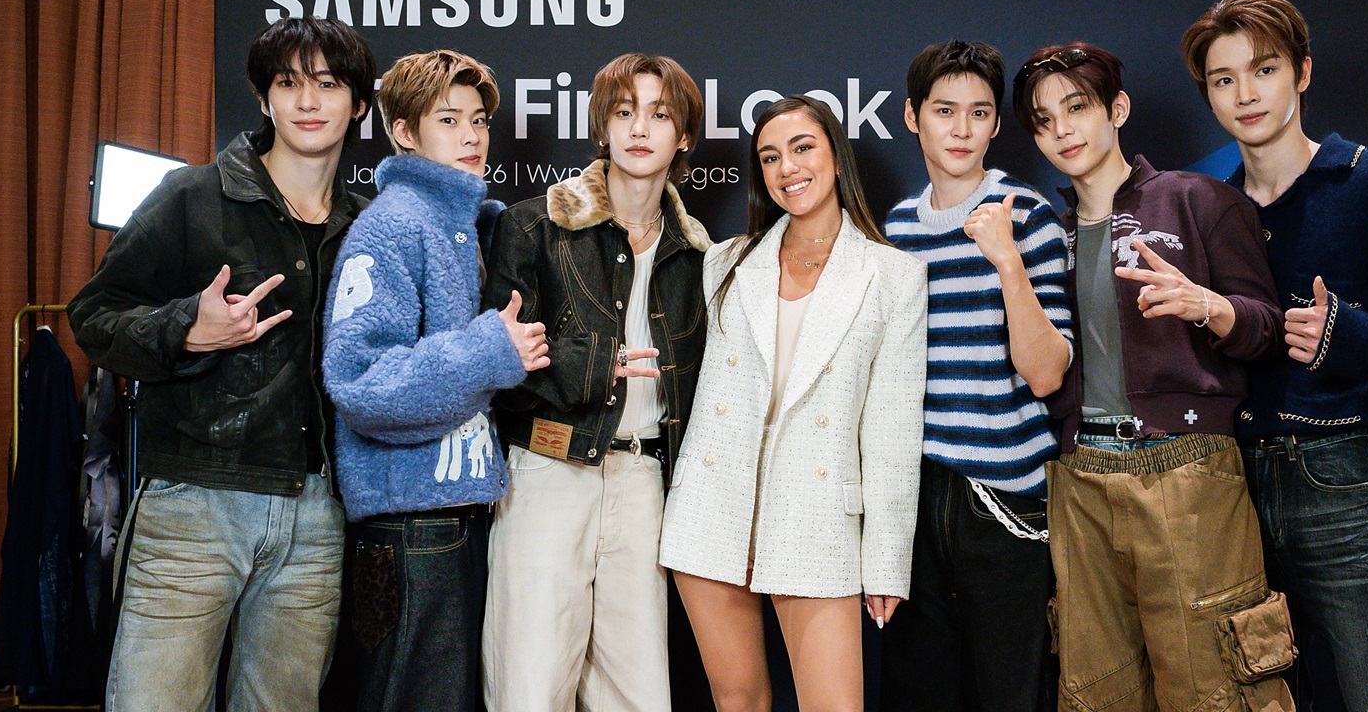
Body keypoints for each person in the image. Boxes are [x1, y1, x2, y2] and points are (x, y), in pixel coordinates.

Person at [67, 15, 376, 711]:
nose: (307, 101)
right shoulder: (192, 197)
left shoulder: (369, 224)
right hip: (194, 502)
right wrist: (187, 329)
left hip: (318, 513)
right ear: (264, 98)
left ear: (359, 104)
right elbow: (94, 315)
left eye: (328, 84)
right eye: (288, 83)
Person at [1183, 0, 1368, 712]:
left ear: (1303, 72)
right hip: (1231, 494)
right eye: (1223, 79)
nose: (1245, 94)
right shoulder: (1210, 208)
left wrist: (1348, 337)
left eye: (1264, 70)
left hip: (1343, 484)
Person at [1016, 42, 1296, 711]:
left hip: (1188, 468)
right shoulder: (1046, 235)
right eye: (1044, 120)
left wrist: (1208, 305)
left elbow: (1268, 328)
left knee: (1216, 690)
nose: (1062, 131)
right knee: (1096, 693)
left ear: (1117, 108)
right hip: (1079, 478)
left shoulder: (1198, 199)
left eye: (1077, 107)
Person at [659, 95, 929, 712]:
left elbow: (891, 432)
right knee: (737, 701)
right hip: (712, 508)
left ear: (836, 155)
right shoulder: (725, 262)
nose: (788, 168)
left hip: (818, 513)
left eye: (802, 148)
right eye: (770, 157)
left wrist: (886, 562)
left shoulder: (893, 275)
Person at [321, 49, 550, 712]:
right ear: (404, 131)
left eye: (478, 120)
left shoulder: (468, 227)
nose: (471, 135)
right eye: (448, 120)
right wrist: (488, 350)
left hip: (454, 514)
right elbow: (361, 382)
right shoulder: (393, 223)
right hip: (410, 526)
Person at [481, 52, 711, 711]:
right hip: (548, 470)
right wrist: (588, 363)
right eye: (624, 111)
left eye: (659, 115)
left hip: (644, 482)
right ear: (602, 126)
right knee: (530, 688)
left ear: (683, 136)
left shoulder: (698, 253)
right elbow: (494, 366)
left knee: (639, 695)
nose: (640, 128)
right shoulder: (534, 225)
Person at [879, 40, 1071, 711]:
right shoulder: (895, 230)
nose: (961, 129)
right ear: (913, 117)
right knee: (920, 694)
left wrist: (1006, 260)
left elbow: (1046, 374)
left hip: (1005, 498)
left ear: (995, 125)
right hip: (916, 497)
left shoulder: (1029, 217)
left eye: (978, 113)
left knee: (1010, 695)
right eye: (944, 111)